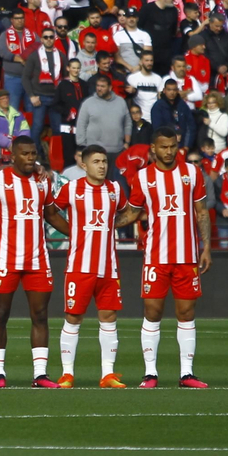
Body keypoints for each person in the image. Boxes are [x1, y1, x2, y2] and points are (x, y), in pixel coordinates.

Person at [49, 145, 145, 387]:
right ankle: (67, 374)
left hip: (108, 266)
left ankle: (107, 374)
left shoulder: (114, 189)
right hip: (79, 266)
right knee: (73, 317)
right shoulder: (71, 188)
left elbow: (127, 213)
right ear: (84, 165)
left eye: (104, 161)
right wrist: (71, 231)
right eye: (96, 162)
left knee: (109, 317)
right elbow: (50, 211)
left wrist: (113, 225)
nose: (102, 166)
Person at [0, 135, 60, 389]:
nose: (31, 158)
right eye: (25, 154)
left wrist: (79, 233)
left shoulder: (42, 181)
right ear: (13, 156)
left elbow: (52, 215)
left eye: (33, 153)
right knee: (0, 315)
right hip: (6, 260)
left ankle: (40, 375)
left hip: (37, 259)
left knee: (40, 315)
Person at [129, 128, 213, 388]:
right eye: (163, 147)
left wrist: (206, 248)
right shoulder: (143, 177)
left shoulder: (192, 172)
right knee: (152, 311)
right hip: (156, 256)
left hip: (187, 257)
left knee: (186, 312)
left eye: (172, 146)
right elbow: (132, 212)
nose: (168, 151)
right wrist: (105, 224)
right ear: (153, 149)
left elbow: (201, 212)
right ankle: (150, 373)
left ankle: (187, 374)